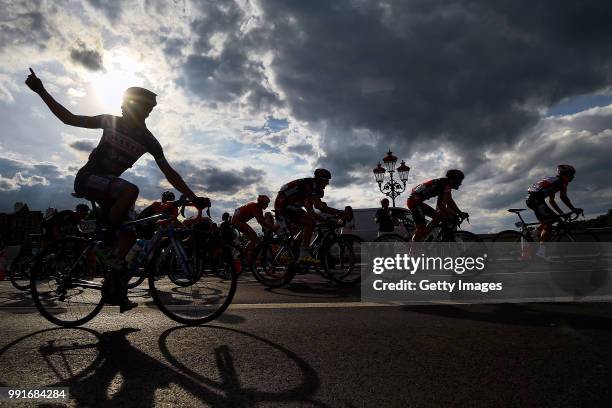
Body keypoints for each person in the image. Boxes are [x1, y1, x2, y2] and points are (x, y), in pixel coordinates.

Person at [26, 68, 210, 312]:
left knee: (129, 236)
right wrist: (41, 90)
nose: (131, 111)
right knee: (130, 190)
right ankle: (102, 245)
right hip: (88, 179)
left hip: (110, 191)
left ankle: (115, 290)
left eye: (147, 109)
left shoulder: (149, 140)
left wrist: (192, 196)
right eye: (132, 107)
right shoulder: (109, 121)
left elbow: (169, 172)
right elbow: (69, 118)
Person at [274, 168, 345, 264]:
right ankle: (303, 254)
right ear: (321, 179)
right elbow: (318, 207)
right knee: (309, 222)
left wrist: (325, 219)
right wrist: (339, 212)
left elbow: (314, 210)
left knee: (308, 222)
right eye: (327, 181)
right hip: (283, 204)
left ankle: (290, 252)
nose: (327, 185)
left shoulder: (310, 187)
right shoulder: (311, 185)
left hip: (289, 204)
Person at [526, 164, 583, 256]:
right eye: (572, 175)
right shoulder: (561, 182)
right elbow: (563, 197)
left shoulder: (554, 181)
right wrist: (574, 209)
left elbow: (552, 201)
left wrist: (561, 213)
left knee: (554, 219)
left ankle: (534, 233)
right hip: (535, 200)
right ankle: (541, 252)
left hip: (534, 199)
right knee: (548, 223)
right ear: (566, 175)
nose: (573, 177)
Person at [407, 169, 468, 242]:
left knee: (438, 217)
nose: (460, 183)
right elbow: (441, 205)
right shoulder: (445, 185)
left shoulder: (444, 184)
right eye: (459, 180)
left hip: (417, 201)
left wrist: (459, 213)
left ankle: (424, 236)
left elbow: (449, 201)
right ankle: (414, 249)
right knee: (421, 228)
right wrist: (453, 214)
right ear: (453, 180)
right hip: (414, 202)